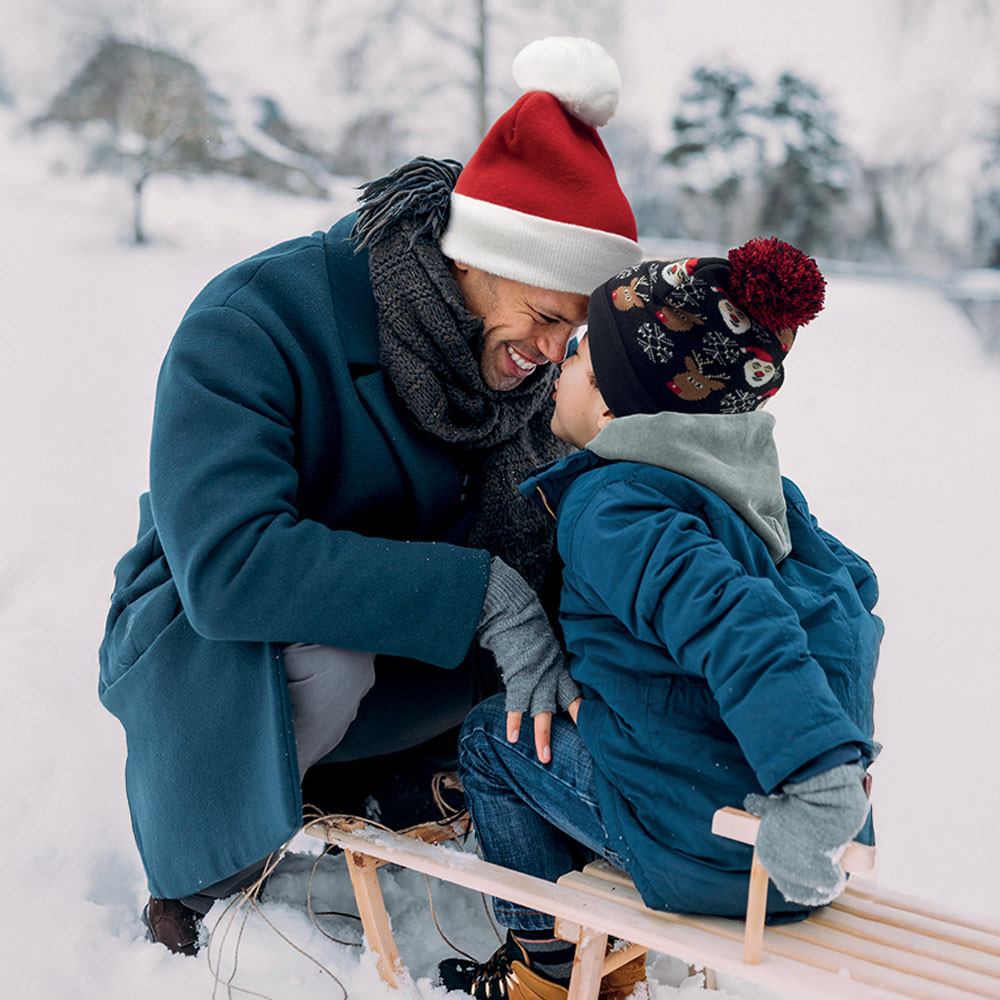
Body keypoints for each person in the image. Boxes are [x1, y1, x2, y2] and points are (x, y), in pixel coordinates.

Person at [97, 36, 642, 956]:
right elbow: (230, 570)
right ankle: (206, 878)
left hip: (404, 656)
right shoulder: (254, 321)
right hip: (227, 648)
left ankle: (401, 785)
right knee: (333, 664)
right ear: (475, 259)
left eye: (574, 330)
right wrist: (480, 593)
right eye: (547, 318)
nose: (556, 354)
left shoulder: (518, 368)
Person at [440, 241, 884, 1000]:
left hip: (732, 847)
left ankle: (542, 970)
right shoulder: (761, 492)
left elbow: (740, 628)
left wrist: (815, 784)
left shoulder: (620, 508)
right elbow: (850, 595)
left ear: (614, 409)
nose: (558, 365)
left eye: (577, 355)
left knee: (492, 737)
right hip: (800, 850)